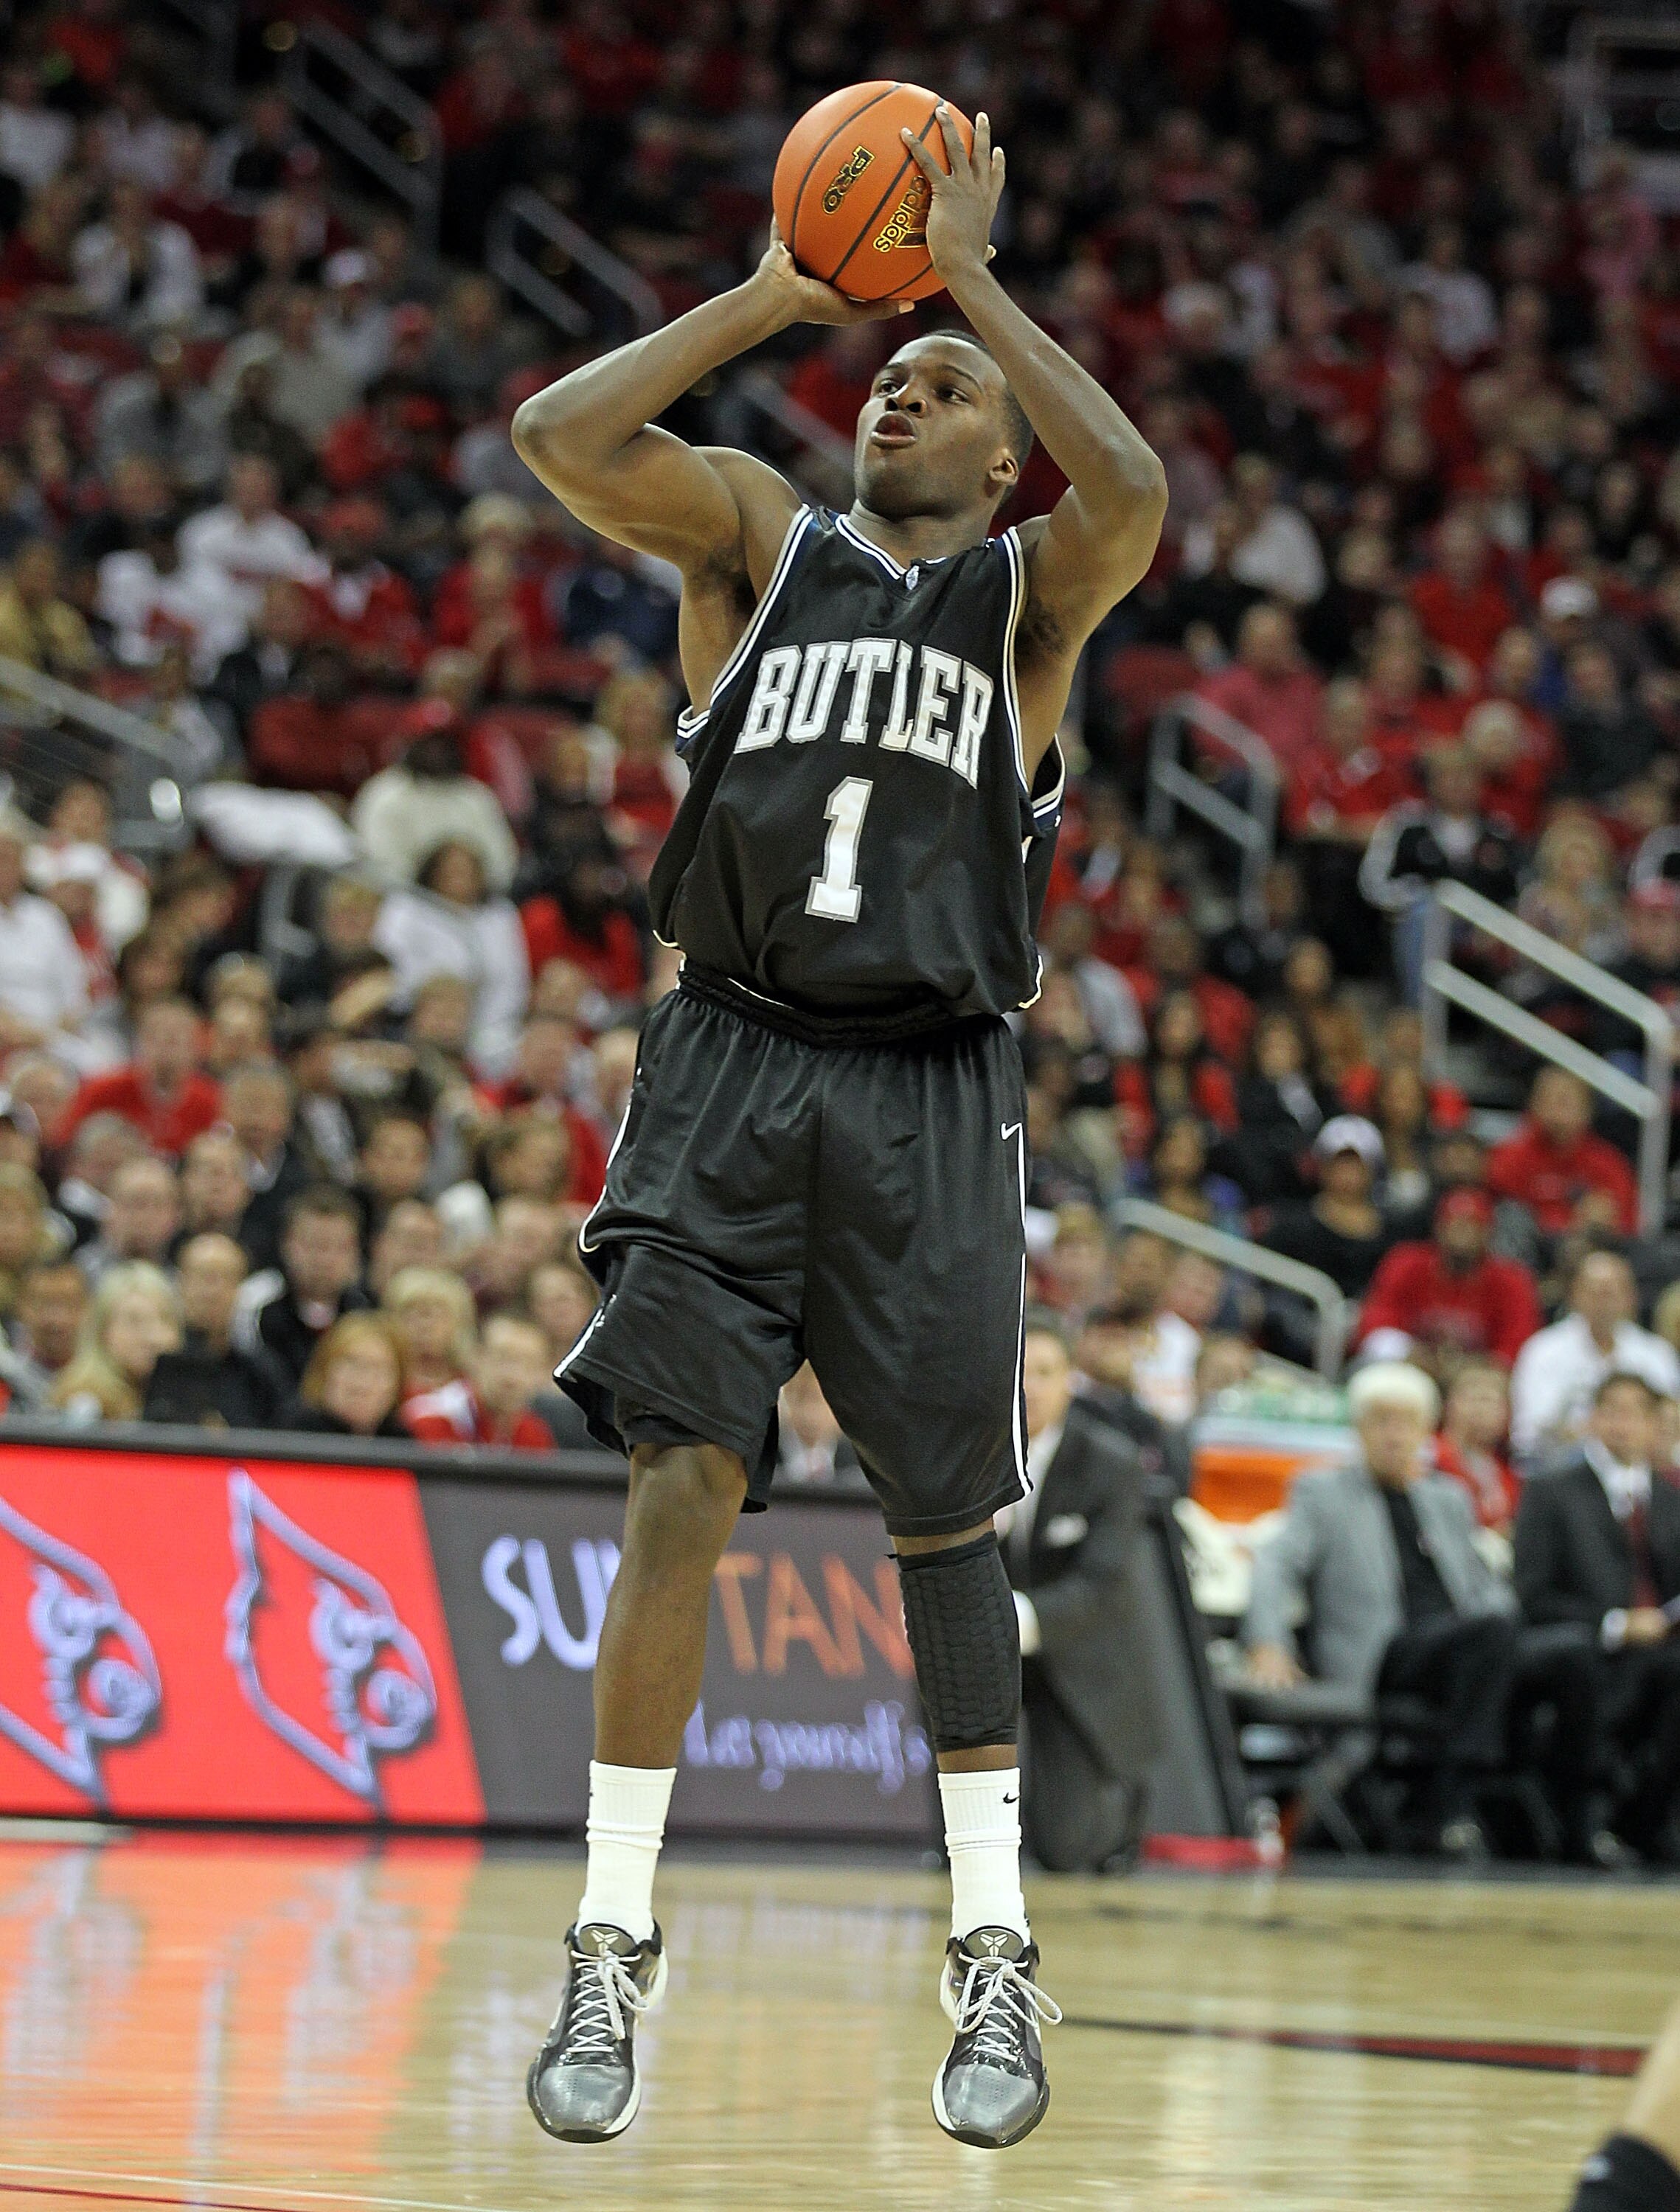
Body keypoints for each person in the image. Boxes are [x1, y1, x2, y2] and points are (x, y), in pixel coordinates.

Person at [511, 106, 1166, 2150]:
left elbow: (1131, 485)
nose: (912, 391)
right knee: (679, 1494)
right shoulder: (748, 542)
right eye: (892, 374)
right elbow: (554, 432)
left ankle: (989, 1953)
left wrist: (970, 277)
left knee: (938, 1528)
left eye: (949, 391)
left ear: (994, 465)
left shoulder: (1026, 610)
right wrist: (779, 294)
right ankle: (609, 1943)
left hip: (925, 1091)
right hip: (722, 1062)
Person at [1245, 1361, 1521, 1857]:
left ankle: (1578, 1821)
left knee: (1568, 1653)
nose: (1395, 1435)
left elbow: (1487, 1586)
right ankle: (1449, 1803)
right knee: (1491, 1634)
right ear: (1359, 1428)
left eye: (1406, 1423)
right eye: (1381, 1421)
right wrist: (1269, 1643)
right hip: (1385, 1656)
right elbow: (1273, 1566)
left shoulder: (1447, 1499)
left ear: (1425, 1431)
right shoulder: (1322, 1493)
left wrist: (1506, 1616)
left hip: (1463, 1649)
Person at [996, 1315, 1156, 1872]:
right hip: (995, 1654)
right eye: (1018, 1373)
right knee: (942, 1663)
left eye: (1044, 1372)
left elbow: (1102, 1582)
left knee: (1065, 1849)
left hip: (1079, 1655)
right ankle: (959, 1829)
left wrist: (1015, 1617)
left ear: (1070, 1381)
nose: (1029, 1388)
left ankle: (1118, 1810)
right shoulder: (973, 1454)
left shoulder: (1109, 1463)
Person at [1515, 1372, 1680, 1863]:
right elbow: (1533, 1594)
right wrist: (1615, 1623)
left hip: (1662, 1650)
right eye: (1611, 1411)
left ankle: (1649, 1824)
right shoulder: (1551, 1491)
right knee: (1586, 1664)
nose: (1622, 1424)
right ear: (1592, 1420)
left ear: (1656, 1425)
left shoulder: (1670, 1499)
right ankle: (1580, 1825)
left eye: (1636, 1413)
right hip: (1582, 1648)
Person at [1510, 1250, 1680, 1464]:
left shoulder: (1655, 1352)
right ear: (1574, 1295)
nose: (1604, 1303)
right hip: (1563, 1468)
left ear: (1631, 1298)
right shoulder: (1543, 1351)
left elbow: (1671, 1424)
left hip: (1644, 1464)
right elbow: (1529, 1433)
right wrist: (1603, 1433)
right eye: (1596, 1293)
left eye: (1612, 1293)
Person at [1355, 1188, 1541, 1371]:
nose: (1461, 1234)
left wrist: (1472, 1369)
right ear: (1438, 1228)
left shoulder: (1511, 1280)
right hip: (1411, 1369)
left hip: (1482, 1377)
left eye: (1471, 1225)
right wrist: (1408, 1353)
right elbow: (1374, 1324)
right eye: (1454, 1224)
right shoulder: (1407, 1263)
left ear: (1488, 1232)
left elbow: (1519, 1344)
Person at [142, 1231, 287, 1430]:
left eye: (224, 1278)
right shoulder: (151, 1362)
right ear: (181, 1283)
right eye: (202, 1276)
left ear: (240, 1289)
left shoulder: (260, 1373)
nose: (211, 1292)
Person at [233, 1185, 370, 1385]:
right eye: (314, 1245)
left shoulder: (364, 1311)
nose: (325, 1259)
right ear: (287, 1244)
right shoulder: (253, 1302)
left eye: (340, 1247)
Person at [48, 1259, 183, 1424]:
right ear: (102, 1330)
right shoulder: (83, 1402)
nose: (153, 1337)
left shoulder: (187, 1399)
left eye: (164, 1319)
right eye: (134, 1321)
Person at [404, 1310, 556, 1449]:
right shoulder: (430, 1417)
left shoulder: (535, 1432)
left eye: (529, 1364)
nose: (513, 1377)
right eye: (503, 1358)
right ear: (476, 1357)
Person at [281, 1312, 409, 1439]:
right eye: (353, 1364)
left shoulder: (403, 1444)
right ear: (325, 1370)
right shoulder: (292, 1436)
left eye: (379, 1370)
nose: (364, 1383)